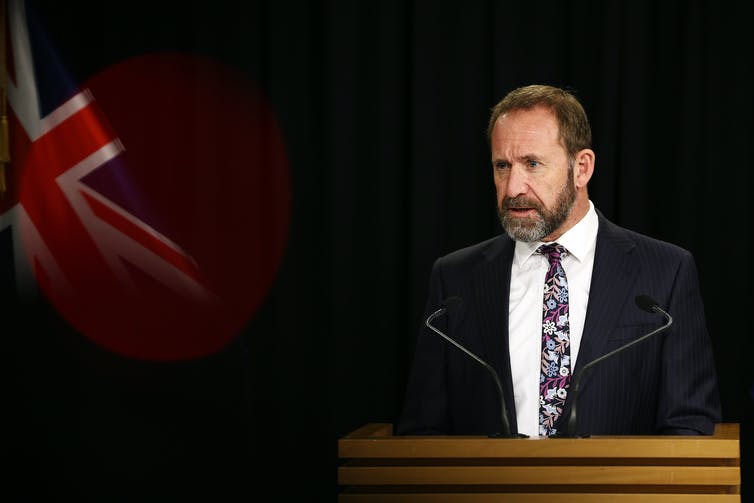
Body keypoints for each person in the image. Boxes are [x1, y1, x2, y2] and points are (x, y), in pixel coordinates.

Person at [397, 84, 721, 437]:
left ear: (581, 168)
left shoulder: (665, 273)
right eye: (502, 166)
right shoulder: (455, 280)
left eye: (532, 164)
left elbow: (689, 426)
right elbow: (422, 432)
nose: (512, 188)